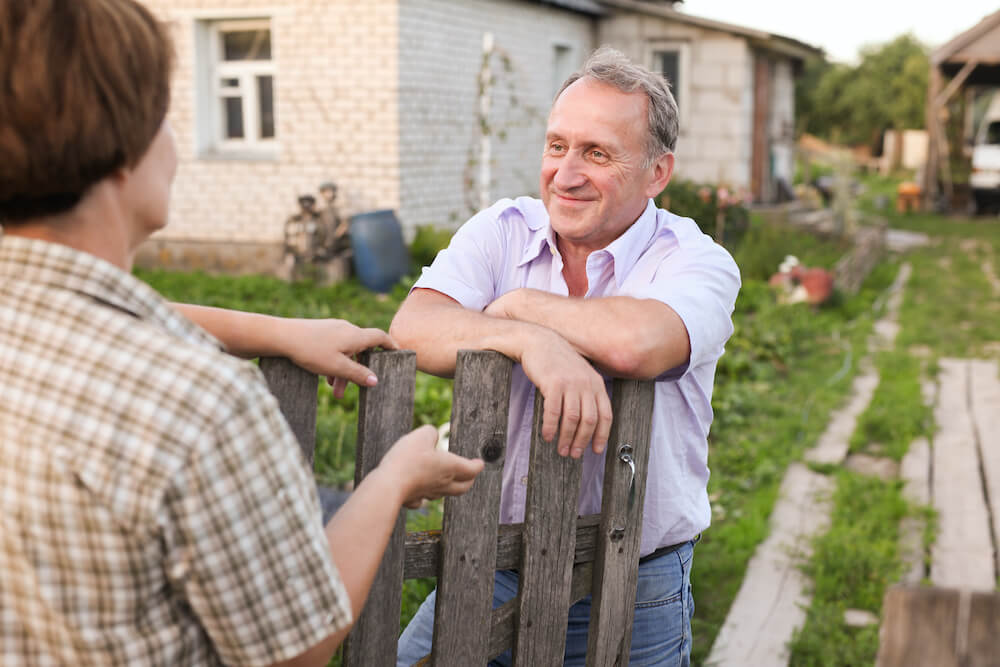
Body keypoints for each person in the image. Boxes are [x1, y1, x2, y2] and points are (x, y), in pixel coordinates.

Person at [0, 2, 482, 665]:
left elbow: (94, 312)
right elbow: (298, 648)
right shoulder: (197, 404)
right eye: (164, 114)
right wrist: (393, 478)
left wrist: (275, 329)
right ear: (121, 149)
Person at [390, 47, 741, 666]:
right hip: (487, 562)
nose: (567, 173)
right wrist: (531, 341)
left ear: (658, 173)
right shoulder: (501, 230)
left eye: (597, 153)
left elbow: (640, 342)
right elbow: (413, 328)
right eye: (558, 147)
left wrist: (519, 305)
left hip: (633, 583)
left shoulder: (695, 259)